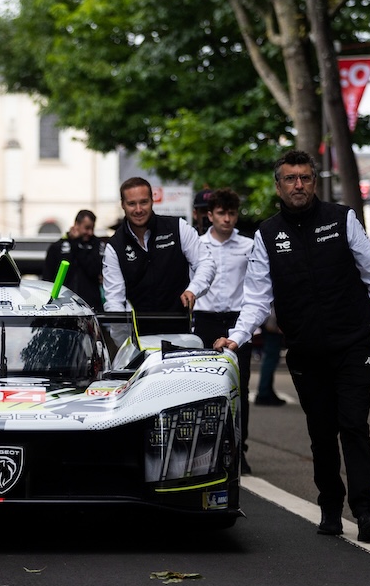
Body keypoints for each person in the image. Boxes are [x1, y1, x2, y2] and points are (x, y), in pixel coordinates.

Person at [215, 150, 370, 543]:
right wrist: (236, 335)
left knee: (353, 424)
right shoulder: (267, 235)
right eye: (290, 178)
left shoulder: (342, 219)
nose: (298, 185)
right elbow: (256, 298)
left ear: (314, 181)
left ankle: (367, 512)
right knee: (321, 432)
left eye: (304, 177)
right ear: (279, 185)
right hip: (305, 350)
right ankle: (330, 505)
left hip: (353, 343)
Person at [193, 189, 255, 472]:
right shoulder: (197, 246)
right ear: (210, 215)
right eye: (221, 213)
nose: (227, 219)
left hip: (237, 322)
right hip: (205, 320)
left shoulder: (249, 245)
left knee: (239, 389)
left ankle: (239, 450)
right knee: (204, 388)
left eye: (231, 213)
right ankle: (206, 448)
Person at [103, 177, 215, 314]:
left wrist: (193, 289)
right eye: (132, 203)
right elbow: (114, 300)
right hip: (138, 332)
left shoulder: (178, 228)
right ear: (122, 205)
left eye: (143, 202)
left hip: (179, 329)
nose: (138, 209)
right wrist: (122, 335)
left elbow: (206, 262)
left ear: (152, 200)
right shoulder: (114, 246)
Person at [42, 209, 104, 311]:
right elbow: (47, 279)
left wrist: (76, 245)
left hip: (90, 306)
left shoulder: (97, 245)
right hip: (62, 306)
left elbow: (94, 271)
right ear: (76, 225)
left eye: (92, 228)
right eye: (87, 228)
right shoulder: (57, 247)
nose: (90, 232)